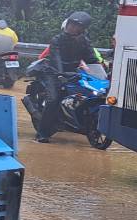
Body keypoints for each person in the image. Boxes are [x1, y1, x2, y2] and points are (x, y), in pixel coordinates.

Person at [33, 11, 98, 143]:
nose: (72, 27)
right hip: (53, 73)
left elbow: (91, 59)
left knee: (89, 93)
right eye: (71, 24)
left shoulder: (84, 41)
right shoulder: (57, 40)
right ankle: (42, 133)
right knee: (54, 99)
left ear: (82, 29)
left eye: (75, 25)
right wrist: (60, 74)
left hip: (73, 73)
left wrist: (102, 70)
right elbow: (56, 60)